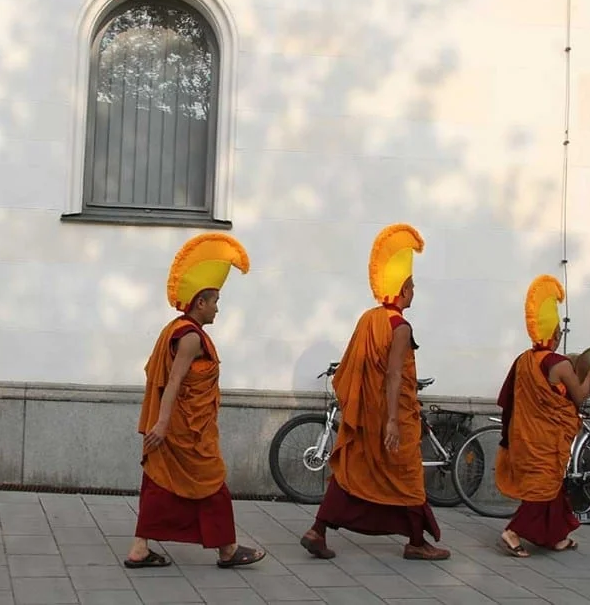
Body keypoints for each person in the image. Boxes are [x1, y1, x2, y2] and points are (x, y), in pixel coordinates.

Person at [300, 223, 450, 561]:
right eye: (412, 285)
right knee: (409, 475)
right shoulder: (400, 327)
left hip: (365, 412)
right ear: (403, 289)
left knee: (353, 470)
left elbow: (353, 366)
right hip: (392, 414)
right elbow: (394, 374)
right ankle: (416, 542)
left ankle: (317, 530)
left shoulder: (369, 318)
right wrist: (392, 421)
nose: (414, 291)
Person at [124, 233, 265, 569]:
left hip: (182, 425)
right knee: (212, 479)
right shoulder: (189, 337)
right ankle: (227, 550)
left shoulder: (178, 328)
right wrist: (162, 423)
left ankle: (140, 547)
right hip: (186, 429)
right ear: (200, 302)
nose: (218, 308)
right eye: (215, 301)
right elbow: (173, 381)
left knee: (159, 482)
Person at [495, 275, 590, 558]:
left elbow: (510, 397)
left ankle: (556, 537)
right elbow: (579, 396)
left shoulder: (524, 359)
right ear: (555, 333)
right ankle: (513, 531)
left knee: (551, 487)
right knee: (543, 488)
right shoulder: (559, 363)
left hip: (524, 434)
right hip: (547, 438)